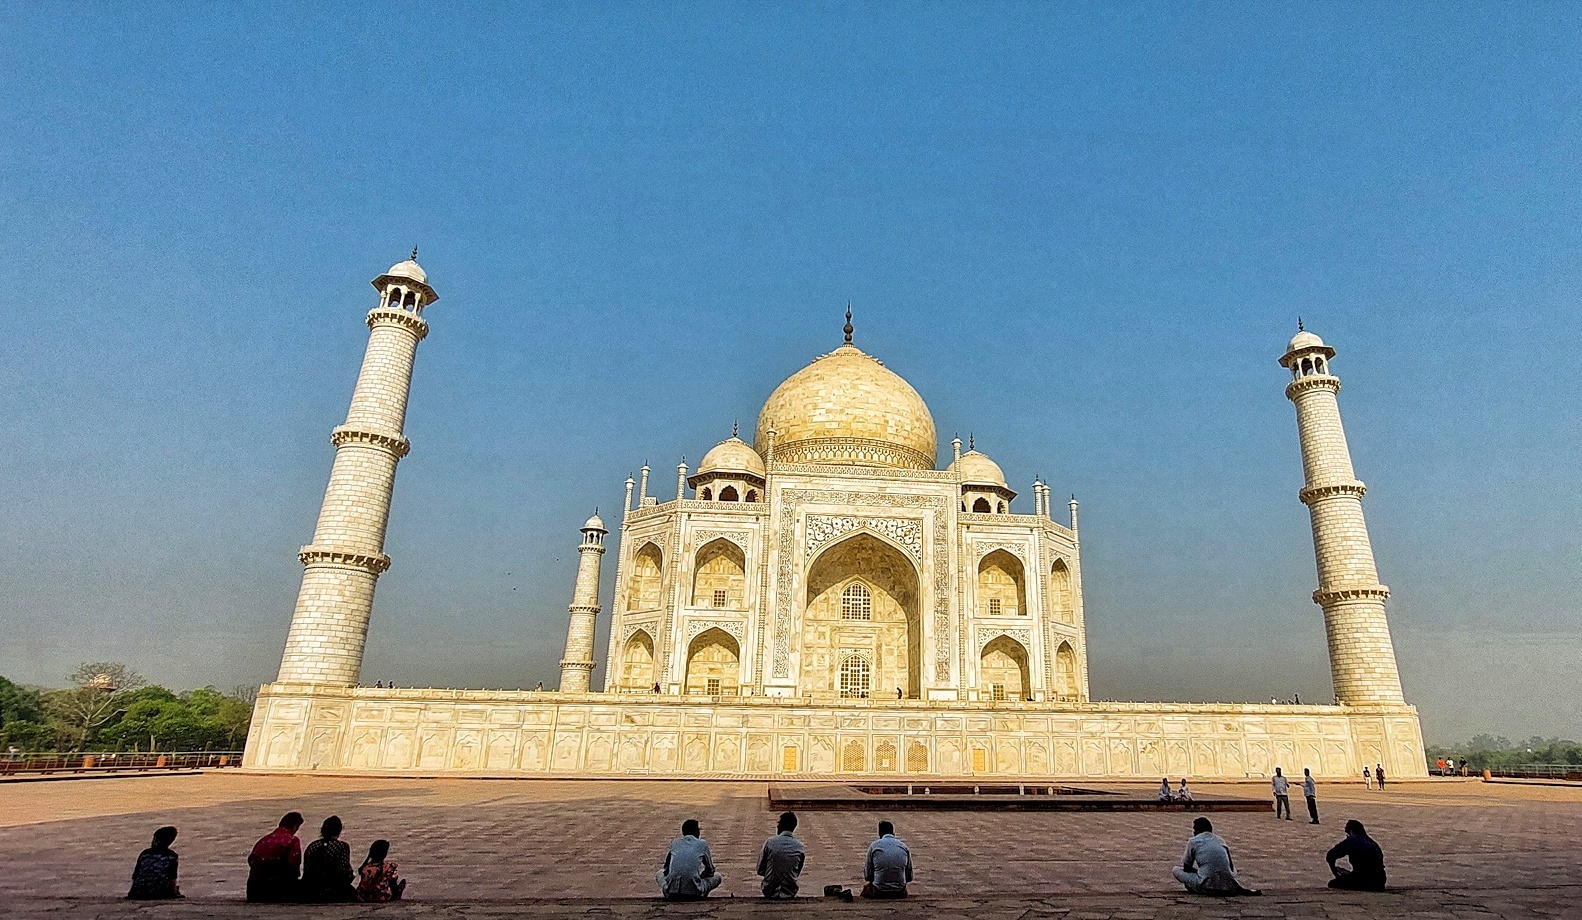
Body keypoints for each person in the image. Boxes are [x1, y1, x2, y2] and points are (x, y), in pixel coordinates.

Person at [1172, 817, 1260, 896]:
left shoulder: (1193, 841)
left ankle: (1198, 887)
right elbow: (1231, 867)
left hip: (1207, 885)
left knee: (1176, 870)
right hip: (1228, 885)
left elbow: (1187, 867)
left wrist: (1199, 872)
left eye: (1194, 829)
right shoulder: (1220, 840)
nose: (1193, 832)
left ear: (1197, 830)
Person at [657, 819, 722, 900]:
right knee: (717, 876)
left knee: (659, 873)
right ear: (695, 831)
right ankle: (701, 893)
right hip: (694, 892)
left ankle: (672, 890)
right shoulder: (702, 844)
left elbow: (666, 869)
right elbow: (710, 870)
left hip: (672, 892)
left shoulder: (675, 843)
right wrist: (701, 876)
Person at [247, 812, 304, 902]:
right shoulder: (292, 840)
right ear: (295, 826)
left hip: (255, 889)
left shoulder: (264, 840)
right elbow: (293, 864)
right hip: (277, 889)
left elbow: (252, 860)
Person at [301, 815, 356, 902]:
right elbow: (344, 870)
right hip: (333, 888)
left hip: (311, 887)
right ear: (339, 830)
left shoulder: (313, 845)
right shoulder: (342, 846)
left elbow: (306, 868)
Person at [756, 811, 806, 899]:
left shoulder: (770, 842)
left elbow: (760, 869)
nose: (777, 826)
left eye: (778, 823)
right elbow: (797, 871)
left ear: (781, 825)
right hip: (790, 891)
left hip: (769, 890)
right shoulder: (800, 847)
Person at [1327, 820, 1386, 890]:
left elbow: (1330, 855)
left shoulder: (1352, 841)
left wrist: (1336, 874)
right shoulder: (1373, 843)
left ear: (1351, 831)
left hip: (1363, 880)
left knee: (1332, 884)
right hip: (1379, 880)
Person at [127, 825, 182, 899]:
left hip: (139, 892)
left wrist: (133, 893)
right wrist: (173, 893)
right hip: (160, 892)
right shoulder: (172, 856)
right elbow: (172, 878)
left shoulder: (144, 854)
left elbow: (136, 876)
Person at [862, 820, 913, 898]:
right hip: (899, 891)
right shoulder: (903, 846)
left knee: (866, 888)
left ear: (880, 834)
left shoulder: (874, 846)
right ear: (893, 833)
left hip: (879, 890)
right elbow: (909, 876)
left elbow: (868, 875)